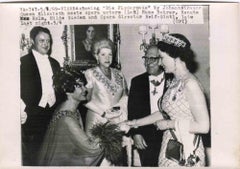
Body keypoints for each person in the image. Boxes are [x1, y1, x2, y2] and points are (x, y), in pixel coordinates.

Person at [126, 33, 210, 167]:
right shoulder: (176, 81)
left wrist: (168, 124)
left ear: (175, 57)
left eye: (162, 58)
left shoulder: (191, 84)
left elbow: (204, 127)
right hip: (169, 147)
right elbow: (164, 113)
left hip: (187, 150)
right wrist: (135, 123)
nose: (159, 62)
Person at [37, 68, 104, 166]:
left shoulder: (71, 110)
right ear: (67, 90)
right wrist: (116, 130)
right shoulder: (67, 119)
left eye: (83, 85)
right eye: (79, 86)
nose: (85, 89)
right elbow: (92, 148)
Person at [20, 26, 61, 165]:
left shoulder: (55, 63)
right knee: (34, 155)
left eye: (48, 41)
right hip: (32, 116)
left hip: (52, 114)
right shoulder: (23, 63)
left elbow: (60, 90)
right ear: (32, 41)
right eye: (42, 40)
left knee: (51, 155)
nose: (46, 44)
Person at [84, 38, 128, 166]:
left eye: (110, 54)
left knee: (113, 159)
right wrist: (104, 113)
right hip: (97, 121)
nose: (107, 58)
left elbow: (125, 96)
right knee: (97, 158)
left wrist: (117, 112)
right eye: (103, 54)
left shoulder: (119, 74)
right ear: (96, 56)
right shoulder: (90, 74)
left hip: (115, 120)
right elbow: (85, 100)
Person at [128, 45, 173, 166]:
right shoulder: (137, 82)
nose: (147, 63)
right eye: (146, 58)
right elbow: (132, 111)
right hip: (145, 135)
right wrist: (136, 133)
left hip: (169, 133)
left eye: (152, 59)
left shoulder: (173, 79)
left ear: (161, 60)